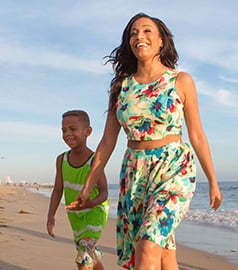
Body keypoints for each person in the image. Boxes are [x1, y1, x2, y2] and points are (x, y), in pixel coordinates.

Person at [71, 13, 223, 270]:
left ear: (161, 40)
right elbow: (107, 143)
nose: (139, 37)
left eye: (146, 31)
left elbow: (196, 134)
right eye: (133, 33)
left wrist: (213, 181)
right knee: (163, 254)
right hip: (135, 173)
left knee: (148, 245)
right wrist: (87, 187)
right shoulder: (121, 86)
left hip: (174, 168)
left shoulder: (180, 81)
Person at [47, 110, 109, 270]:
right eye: (64, 130)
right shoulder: (61, 160)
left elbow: (104, 193)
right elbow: (57, 190)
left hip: (95, 212)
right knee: (90, 256)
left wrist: (90, 204)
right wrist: (50, 215)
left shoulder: (94, 160)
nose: (67, 134)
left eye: (73, 129)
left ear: (88, 132)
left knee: (82, 260)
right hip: (75, 215)